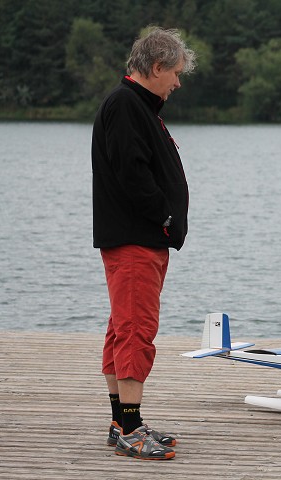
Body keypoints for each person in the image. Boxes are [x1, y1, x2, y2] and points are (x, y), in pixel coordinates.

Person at [91, 27, 195, 460]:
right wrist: (166, 217)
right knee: (135, 331)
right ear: (155, 67)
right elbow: (133, 174)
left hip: (138, 239)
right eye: (174, 73)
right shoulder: (126, 105)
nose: (177, 82)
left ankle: (122, 422)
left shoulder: (136, 106)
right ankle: (131, 431)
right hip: (135, 239)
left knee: (122, 328)